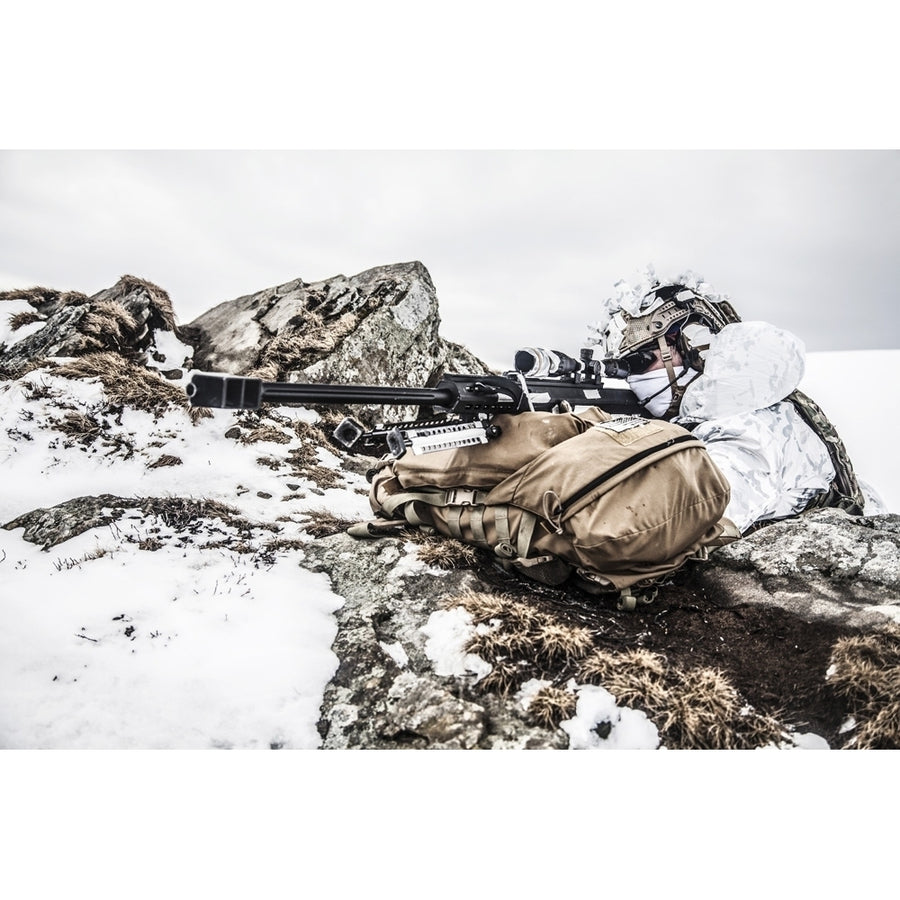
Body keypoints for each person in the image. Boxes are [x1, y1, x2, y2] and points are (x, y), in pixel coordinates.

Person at [590, 272, 870, 534]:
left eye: (641, 362)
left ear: (690, 349)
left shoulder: (742, 426)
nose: (634, 381)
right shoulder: (725, 408)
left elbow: (682, 518)